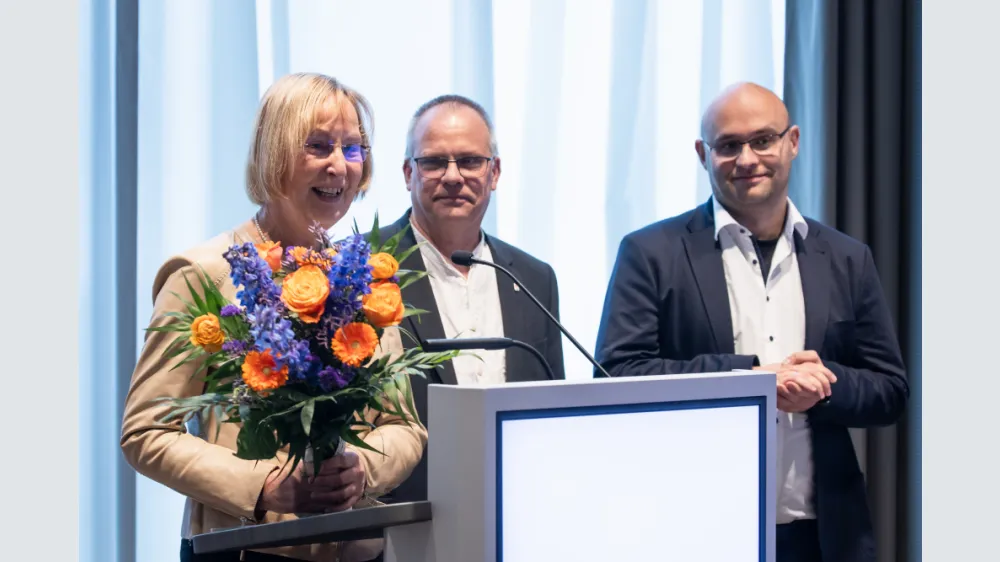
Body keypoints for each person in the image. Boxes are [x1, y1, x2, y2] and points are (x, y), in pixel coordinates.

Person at [593, 82, 908, 562]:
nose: (747, 159)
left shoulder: (847, 257)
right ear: (703, 154)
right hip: (694, 527)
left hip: (824, 534)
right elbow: (617, 374)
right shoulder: (650, 252)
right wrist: (751, 378)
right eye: (728, 145)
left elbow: (890, 391)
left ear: (793, 142)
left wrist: (824, 385)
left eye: (763, 140)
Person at [120, 73, 425, 562]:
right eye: (319, 146)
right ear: (274, 153)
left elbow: (405, 426)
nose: (339, 167)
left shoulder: (365, 277)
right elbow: (146, 432)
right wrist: (260, 485)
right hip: (246, 550)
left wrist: (363, 468)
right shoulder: (203, 273)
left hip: (359, 550)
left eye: (352, 149)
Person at [373, 94, 566, 505]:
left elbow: (551, 411)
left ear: (495, 172)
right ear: (408, 173)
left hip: (517, 512)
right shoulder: (363, 269)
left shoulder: (533, 278)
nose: (453, 176)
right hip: (400, 524)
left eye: (470, 161)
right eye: (434, 162)